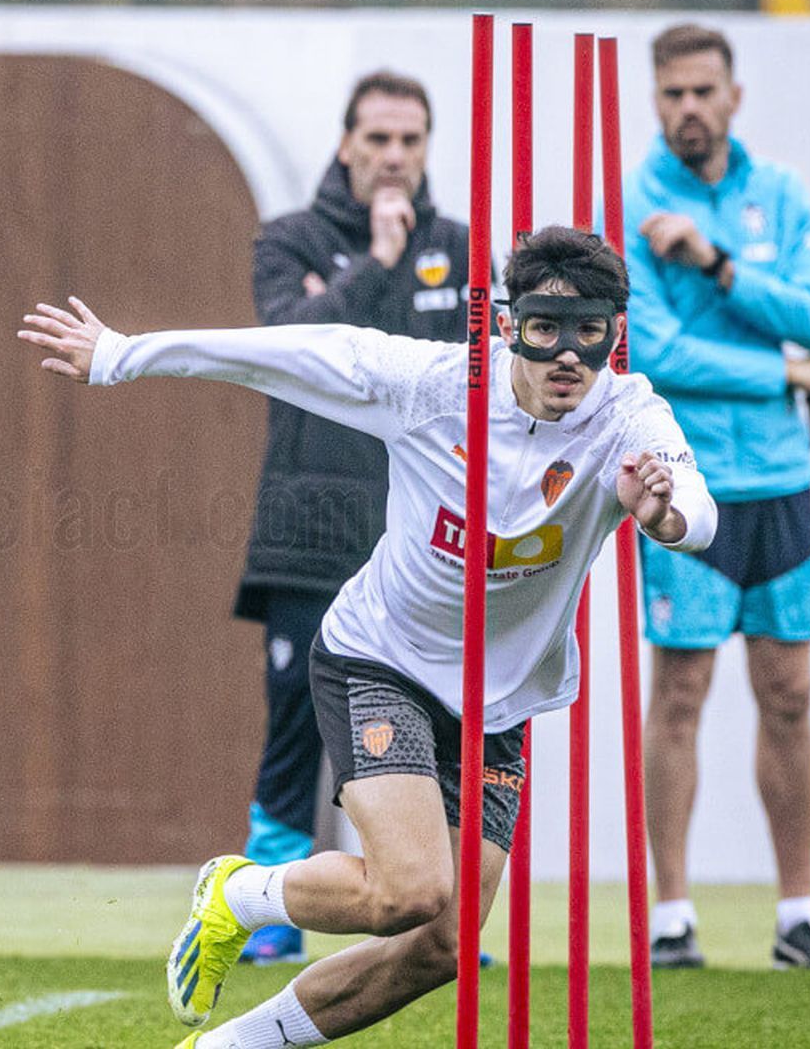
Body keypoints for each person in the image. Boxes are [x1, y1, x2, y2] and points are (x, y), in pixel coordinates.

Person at [18, 226, 715, 1048]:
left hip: (498, 700)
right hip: (381, 659)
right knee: (410, 891)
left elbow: (696, 515)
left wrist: (661, 511)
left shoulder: (627, 415)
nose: (568, 355)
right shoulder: (429, 386)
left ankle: (226, 1047)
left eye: (590, 332)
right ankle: (239, 895)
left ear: (615, 333)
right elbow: (290, 353)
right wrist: (122, 354)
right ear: (504, 325)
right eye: (544, 329)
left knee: (442, 945)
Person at [625, 23, 810, 971]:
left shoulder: (780, 193)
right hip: (687, 482)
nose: (688, 108)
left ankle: (798, 913)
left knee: (789, 694)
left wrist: (717, 264)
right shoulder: (636, 201)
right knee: (680, 691)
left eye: (702, 92)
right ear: (655, 98)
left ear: (733, 96)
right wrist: (789, 375)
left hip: (781, 485)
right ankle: (672, 918)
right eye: (672, 93)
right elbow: (658, 352)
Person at [233, 70, 471, 966]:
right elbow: (293, 352)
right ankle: (268, 913)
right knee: (295, 716)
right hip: (312, 530)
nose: (394, 157)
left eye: (410, 141)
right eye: (377, 140)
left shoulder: (458, 248)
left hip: (424, 544)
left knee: (440, 721)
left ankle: (437, 910)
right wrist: (375, 265)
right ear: (346, 145)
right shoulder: (289, 240)